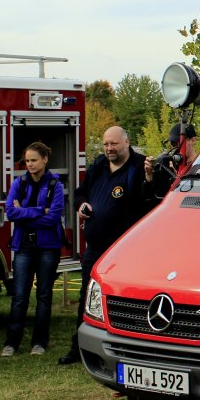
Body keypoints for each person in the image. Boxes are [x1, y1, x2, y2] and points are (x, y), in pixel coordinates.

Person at [58, 126, 155, 365]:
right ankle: (79, 348)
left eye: (114, 144)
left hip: (125, 250)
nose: (109, 149)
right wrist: (81, 206)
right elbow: (80, 193)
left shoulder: (139, 166)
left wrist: (150, 179)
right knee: (86, 296)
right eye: (106, 144)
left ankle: (128, 349)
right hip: (95, 247)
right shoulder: (99, 165)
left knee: (125, 300)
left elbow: (150, 202)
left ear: (126, 142)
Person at [1, 142, 65, 357]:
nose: (29, 164)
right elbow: (10, 213)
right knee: (19, 296)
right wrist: (39, 210)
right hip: (24, 247)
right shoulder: (19, 183)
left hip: (48, 247)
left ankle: (39, 343)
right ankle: (11, 343)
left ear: (45, 159)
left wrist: (25, 214)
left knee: (44, 296)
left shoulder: (56, 185)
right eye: (27, 161)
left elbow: (53, 218)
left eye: (33, 160)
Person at [146, 122, 197, 199]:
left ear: (192, 140)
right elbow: (152, 198)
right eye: (173, 144)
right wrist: (149, 175)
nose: (176, 148)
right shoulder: (170, 166)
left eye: (178, 143)